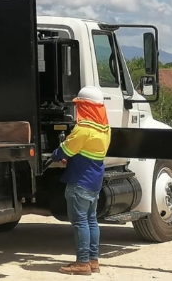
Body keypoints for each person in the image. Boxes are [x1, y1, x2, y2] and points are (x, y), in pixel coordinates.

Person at [52, 86, 111, 275]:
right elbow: (85, 152)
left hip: (79, 182)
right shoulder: (105, 129)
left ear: (85, 107)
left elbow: (65, 150)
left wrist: (57, 154)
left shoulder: (83, 130)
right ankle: (93, 260)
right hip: (94, 182)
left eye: (79, 105)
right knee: (92, 220)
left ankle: (82, 262)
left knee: (80, 222)